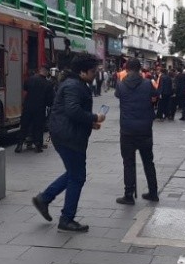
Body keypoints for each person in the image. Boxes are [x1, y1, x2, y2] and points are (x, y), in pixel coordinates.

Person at [31, 54, 106, 233]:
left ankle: (44, 198)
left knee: (73, 173)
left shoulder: (74, 84)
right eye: (93, 71)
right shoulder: (74, 86)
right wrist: (94, 117)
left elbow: (70, 111)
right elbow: (73, 110)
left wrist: (89, 123)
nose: (95, 74)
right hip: (69, 137)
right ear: (82, 72)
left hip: (67, 134)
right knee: (77, 176)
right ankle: (66, 219)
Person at [114, 59, 159, 205]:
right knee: (148, 162)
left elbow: (118, 95)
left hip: (127, 130)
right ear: (140, 69)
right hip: (145, 129)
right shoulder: (147, 83)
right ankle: (153, 192)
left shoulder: (121, 85)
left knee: (128, 163)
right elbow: (155, 96)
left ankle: (129, 194)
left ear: (126, 70)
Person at [16, 67, 55, 153]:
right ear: (47, 72)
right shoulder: (48, 84)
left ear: (40, 70)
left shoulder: (30, 79)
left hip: (28, 107)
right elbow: (50, 99)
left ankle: (19, 145)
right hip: (40, 108)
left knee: (24, 126)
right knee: (38, 127)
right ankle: (38, 145)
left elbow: (25, 87)